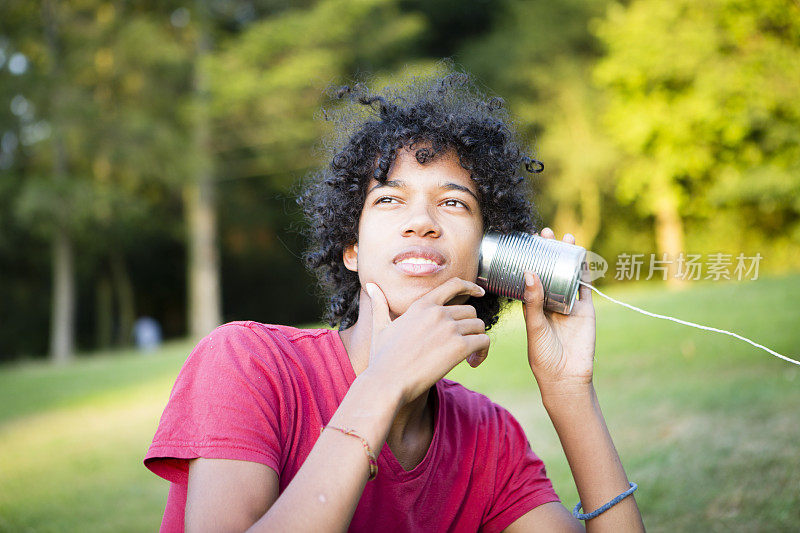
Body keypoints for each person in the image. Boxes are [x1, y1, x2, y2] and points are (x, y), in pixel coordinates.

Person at [144, 70, 645, 532]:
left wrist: (571, 393)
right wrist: (382, 384)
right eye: (389, 199)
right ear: (353, 248)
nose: (421, 221)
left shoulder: (488, 437)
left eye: (453, 203)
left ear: (488, 258)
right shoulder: (247, 363)